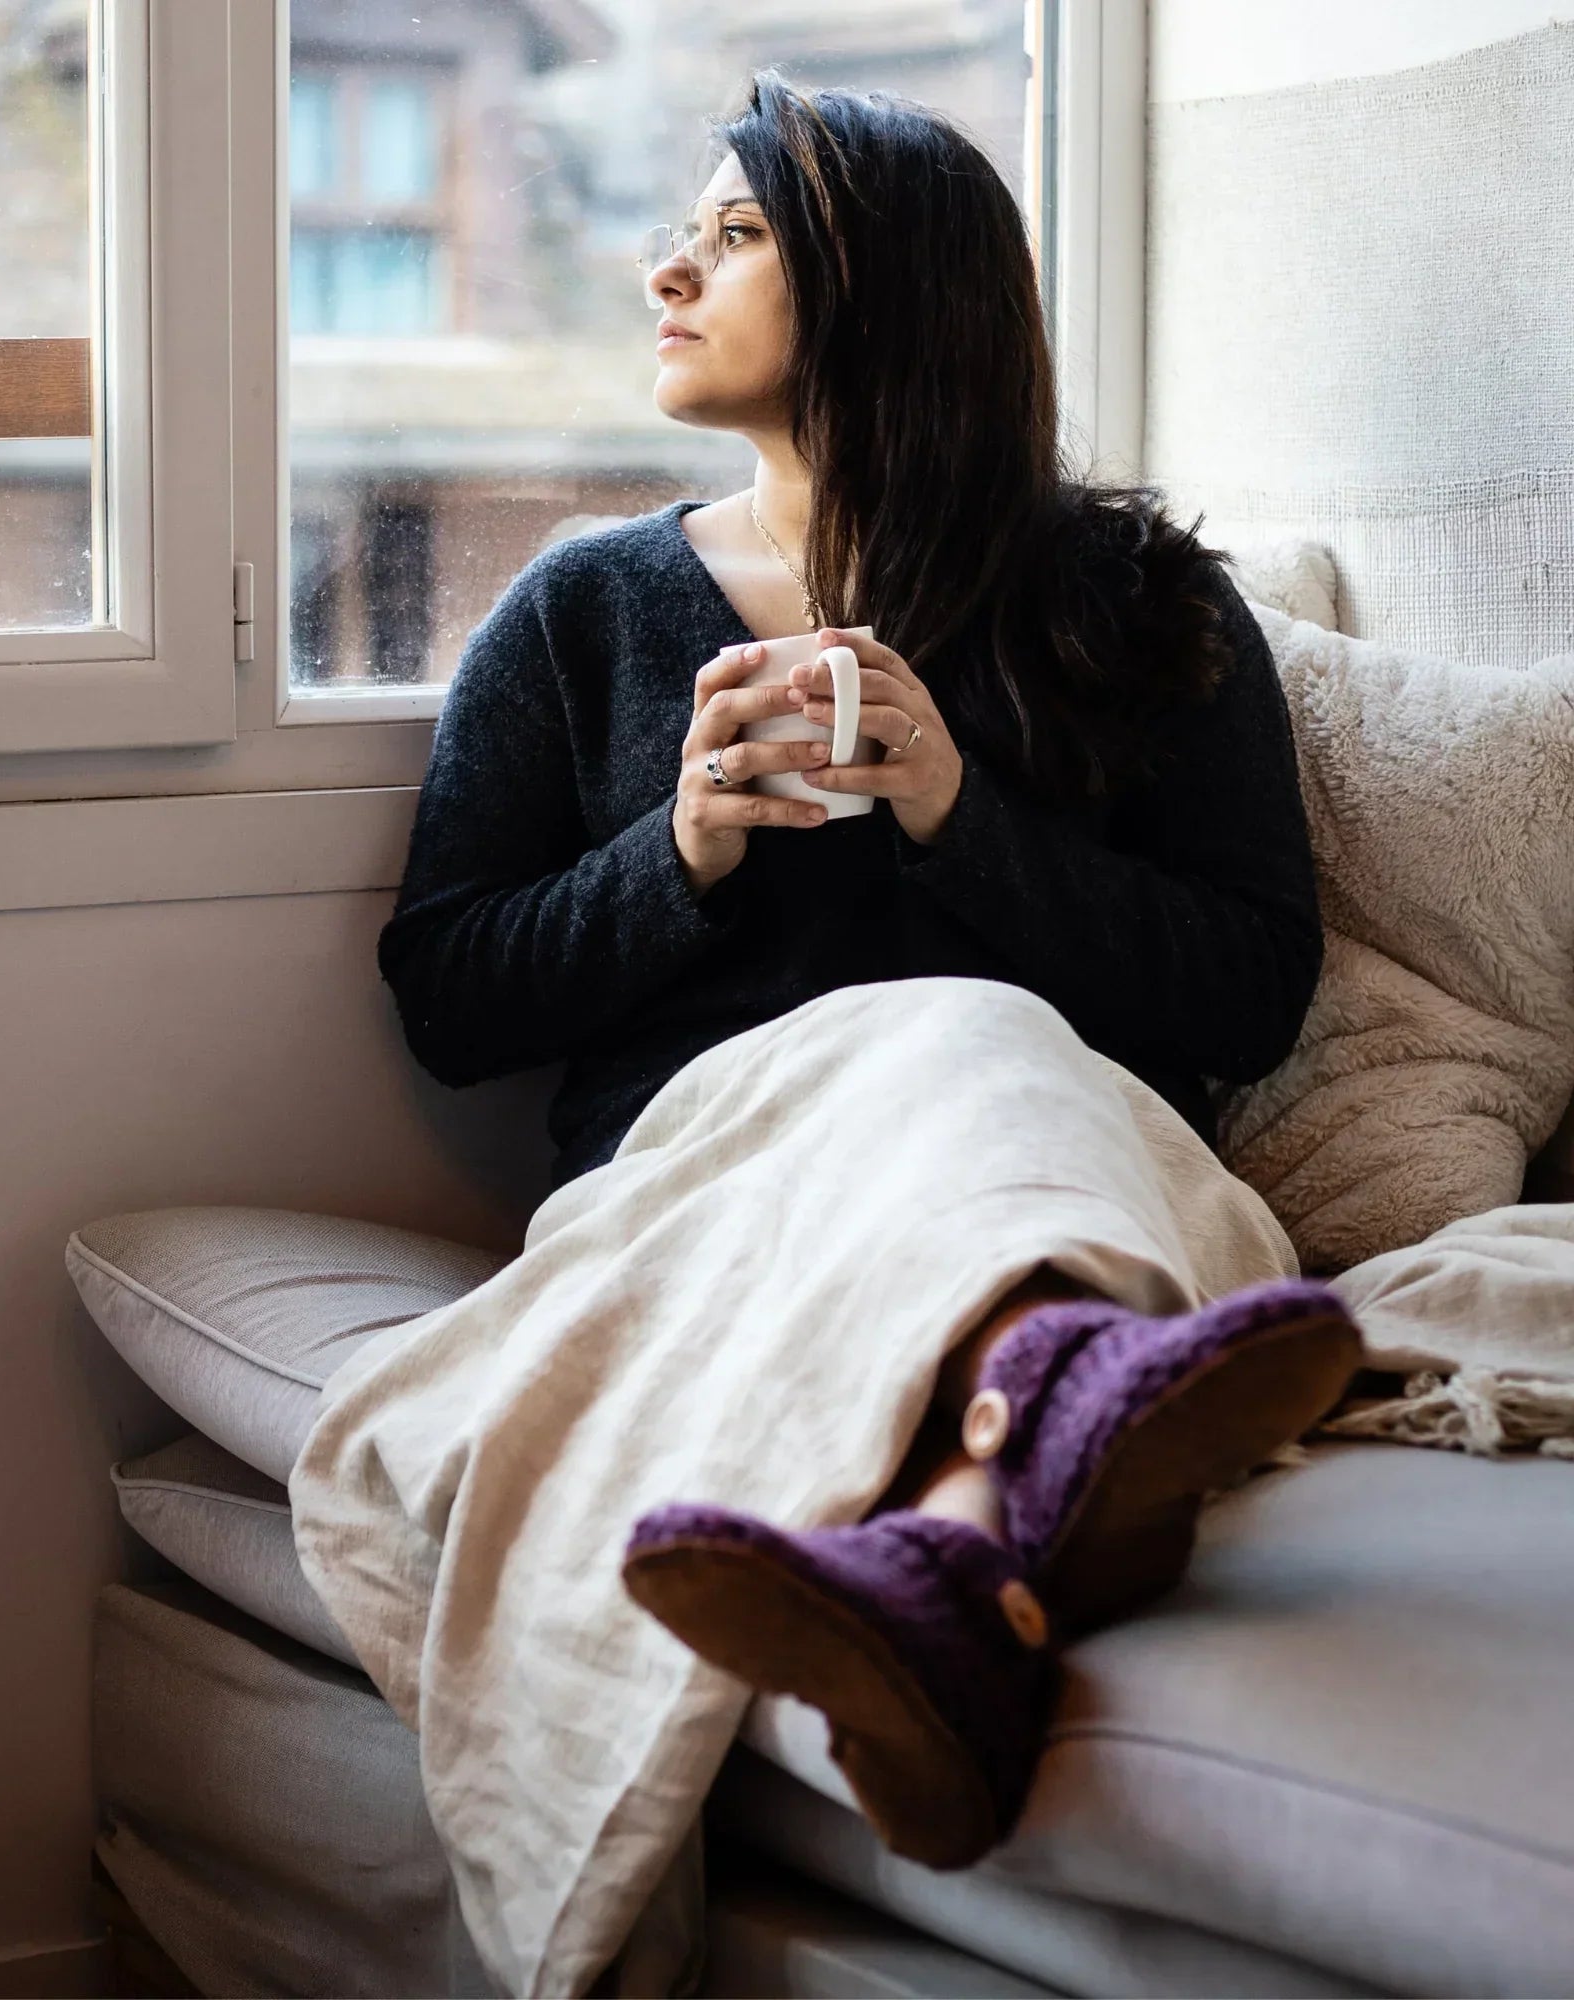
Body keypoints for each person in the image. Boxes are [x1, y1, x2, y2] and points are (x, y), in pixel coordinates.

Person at [361, 76, 1360, 1887]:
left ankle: (950, 1571)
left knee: (968, 1039)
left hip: (1073, 1163)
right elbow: (449, 995)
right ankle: (1047, 1437)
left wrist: (960, 814)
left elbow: (1250, 989)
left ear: (887, 291)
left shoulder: (1134, 601)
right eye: (687, 233)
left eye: (733, 234)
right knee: (936, 1039)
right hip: (729, 1191)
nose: (669, 271)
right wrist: (675, 857)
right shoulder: (584, 615)